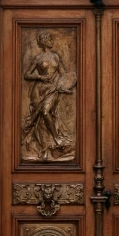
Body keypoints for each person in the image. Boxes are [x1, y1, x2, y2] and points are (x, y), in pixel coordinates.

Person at [22, 31, 75, 162]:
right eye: (49, 39)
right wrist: (39, 76)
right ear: (43, 41)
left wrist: (68, 81)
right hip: (39, 91)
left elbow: (63, 73)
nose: (52, 41)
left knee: (46, 112)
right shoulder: (38, 58)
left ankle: (56, 139)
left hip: (53, 89)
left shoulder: (56, 56)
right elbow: (27, 74)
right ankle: (46, 147)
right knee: (41, 119)